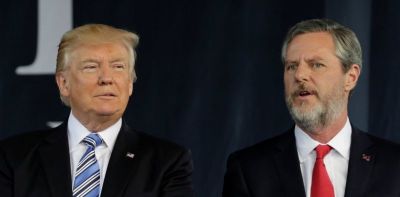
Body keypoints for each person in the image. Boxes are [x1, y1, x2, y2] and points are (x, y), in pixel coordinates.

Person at [0, 24, 194, 197]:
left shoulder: (167, 162)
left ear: (130, 84)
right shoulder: (14, 157)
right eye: (91, 67)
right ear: (64, 83)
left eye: (118, 66)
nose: (106, 78)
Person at [223, 18, 400, 197]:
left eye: (316, 65)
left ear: (351, 77)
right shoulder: (248, 169)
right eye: (291, 66)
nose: (299, 75)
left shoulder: (394, 164)